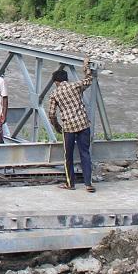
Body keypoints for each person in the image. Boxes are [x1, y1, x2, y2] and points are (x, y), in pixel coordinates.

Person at [47, 58, 97, 192]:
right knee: (85, 153)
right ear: (66, 79)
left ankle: (70, 183)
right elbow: (89, 79)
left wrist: (57, 126)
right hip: (83, 124)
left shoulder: (55, 94)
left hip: (68, 127)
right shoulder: (75, 86)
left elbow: (51, 114)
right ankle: (88, 184)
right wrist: (86, 66)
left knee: (67, 156)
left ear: (56, 82)